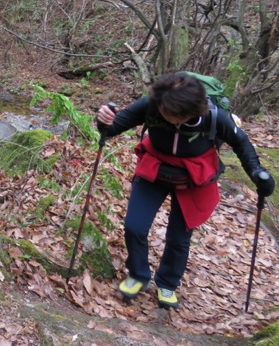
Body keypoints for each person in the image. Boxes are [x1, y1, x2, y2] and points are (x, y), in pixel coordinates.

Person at [96, 72, 275, 310]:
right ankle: (138, 275)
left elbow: (241, 144)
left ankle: (167, 283)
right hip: (155, 171)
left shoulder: (215, 117)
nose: (175, 124)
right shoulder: (151, 105)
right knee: (134, 227)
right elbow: (112, 128)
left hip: (194, 178)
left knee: (179, 238)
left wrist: (256, 173)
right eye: (170, 118)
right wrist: (104, 120)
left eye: (181, 119)